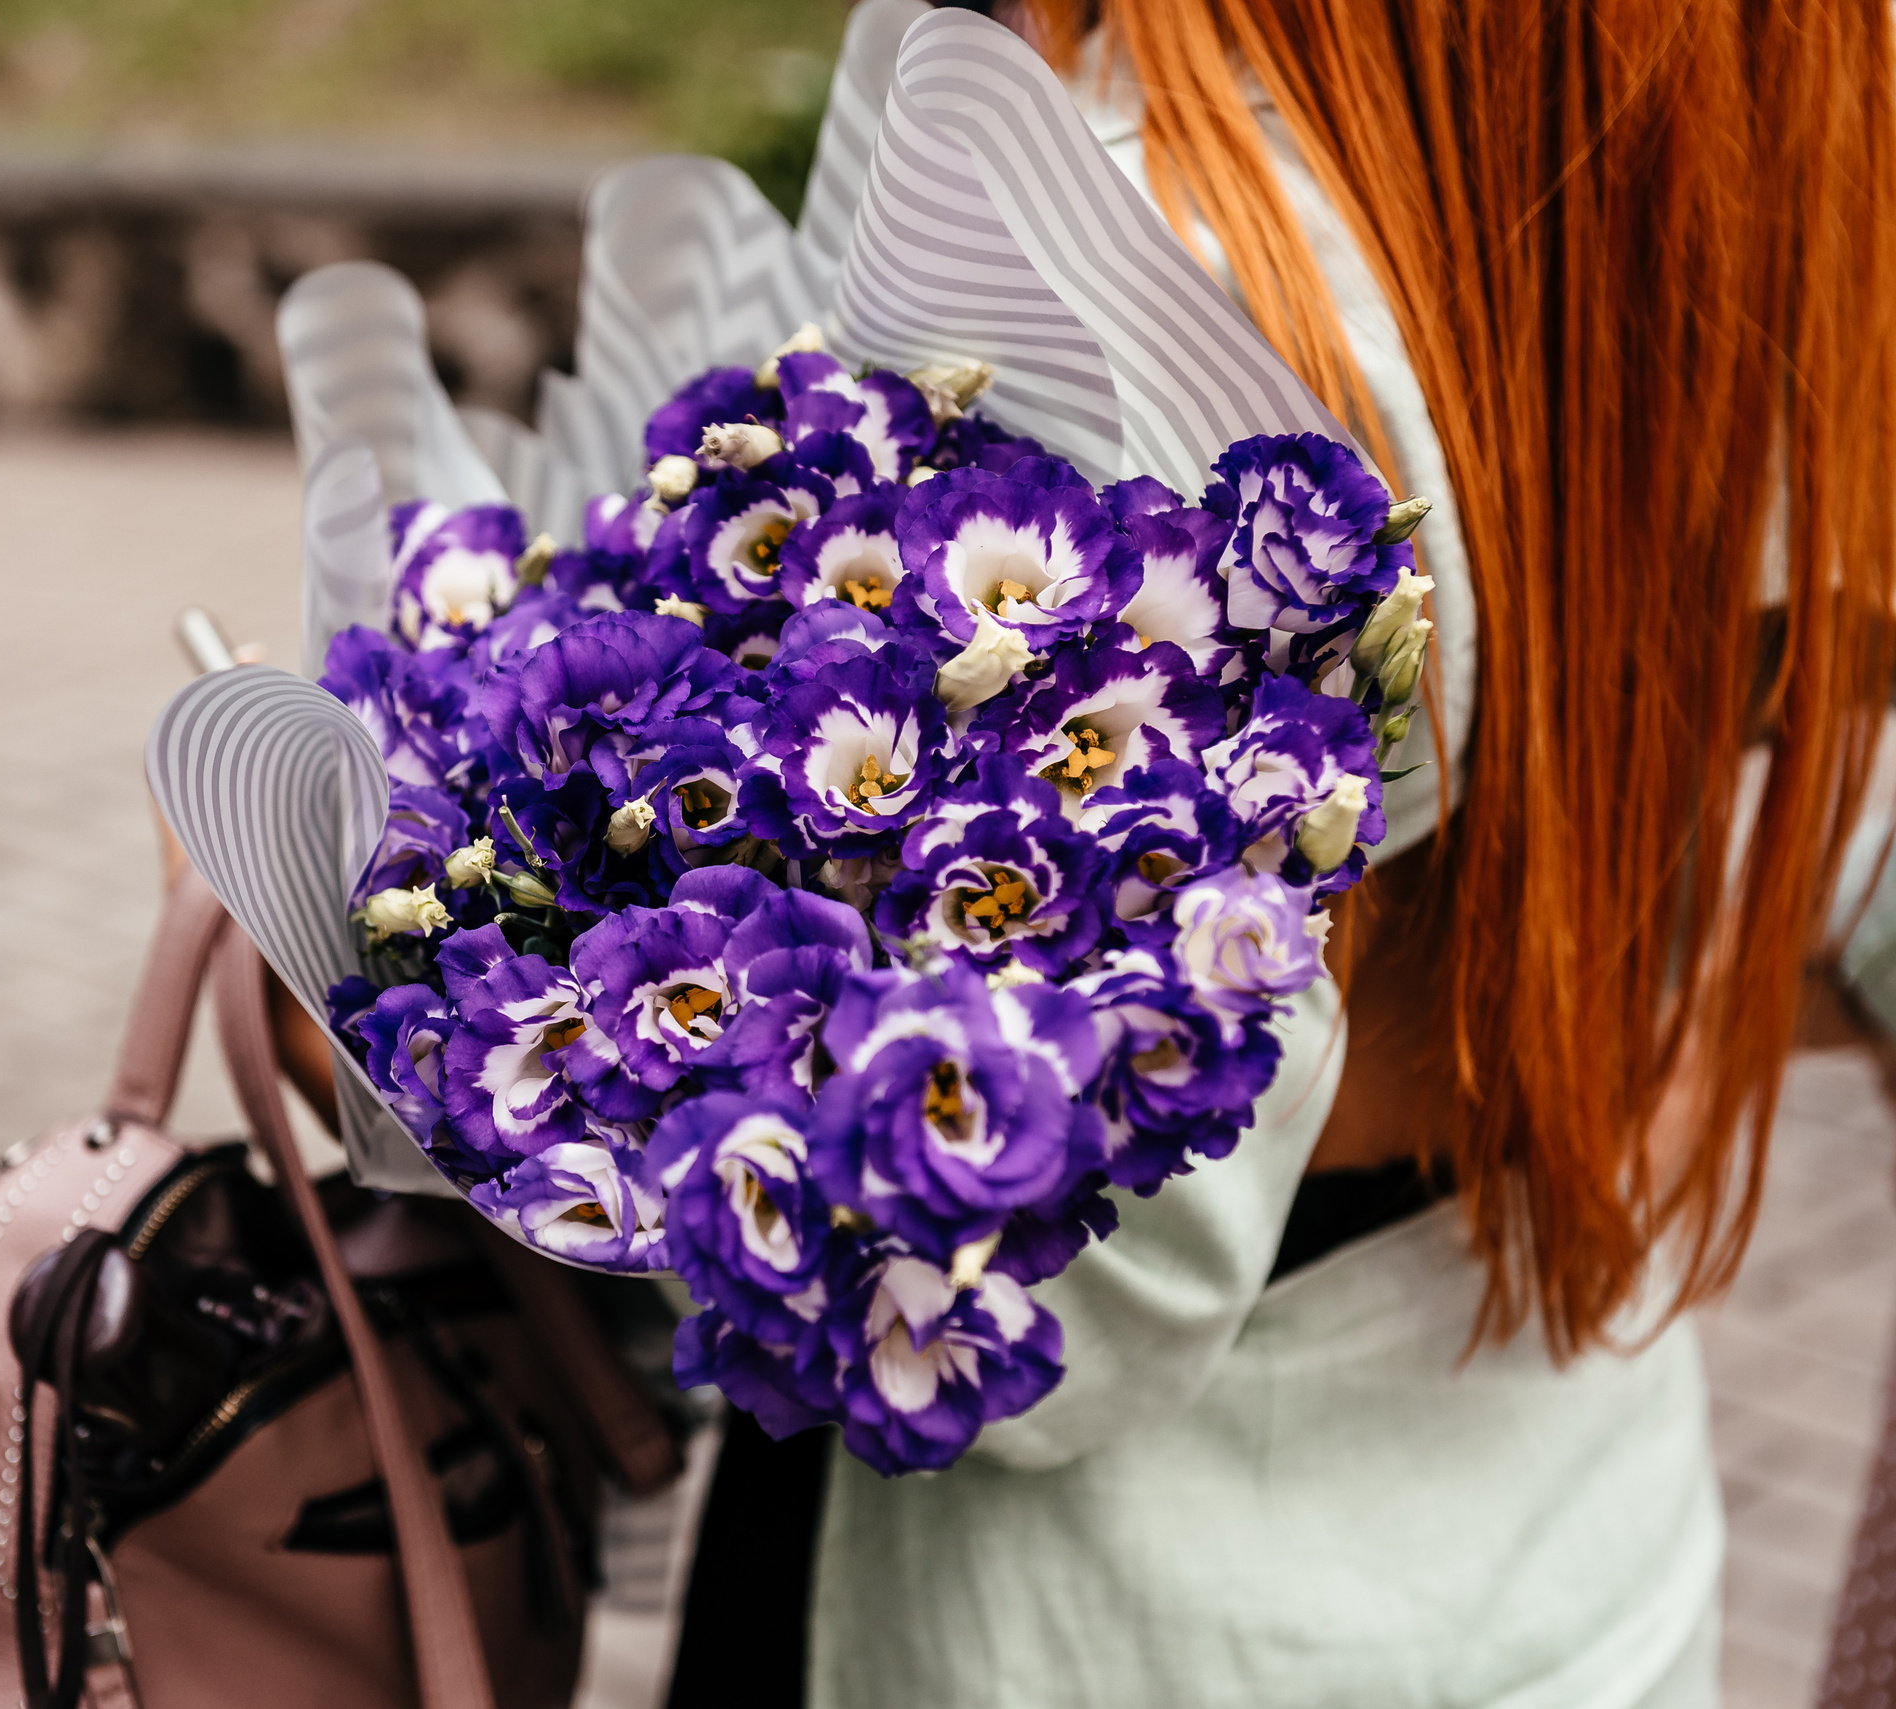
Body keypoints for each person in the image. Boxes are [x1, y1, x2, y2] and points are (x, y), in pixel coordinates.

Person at [783, 3, 1894, 1706]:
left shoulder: (1150, 290)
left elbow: (1041, 1331)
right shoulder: (1778, 204)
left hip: (1150, 1604)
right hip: (1574, 1493)